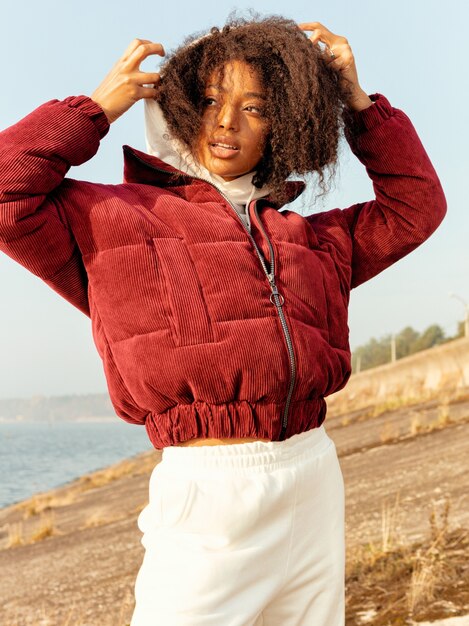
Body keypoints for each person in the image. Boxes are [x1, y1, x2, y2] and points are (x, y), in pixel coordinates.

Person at [0, 14, 446, 626]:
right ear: (181, 108)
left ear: (285, 124)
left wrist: (358, 103)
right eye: (209, 100)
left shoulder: (313, 238)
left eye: (256, 107)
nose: (227, 121)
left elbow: (417, 207)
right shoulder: (108, 217)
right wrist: (94, 110)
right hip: (208, 495)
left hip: (313, 478)